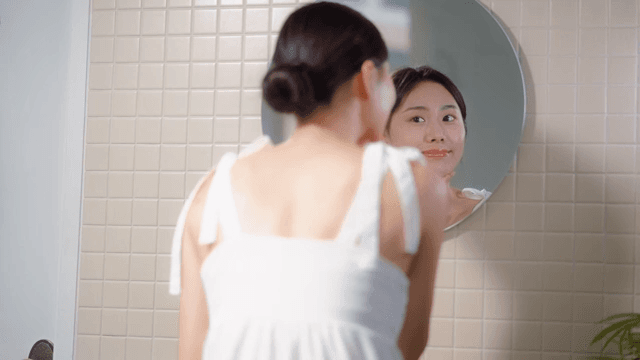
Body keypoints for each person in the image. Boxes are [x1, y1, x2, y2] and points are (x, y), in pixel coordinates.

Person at [168, 2, 447, 359]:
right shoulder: (413, 185)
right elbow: (407, 344)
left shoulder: (211, 194)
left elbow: (191, 353)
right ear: (367, 78)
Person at [384, 66, 491, 230]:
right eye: (417, 119)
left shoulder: (495, 210)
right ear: (384, 133)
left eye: (448, 117)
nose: (437, 134)